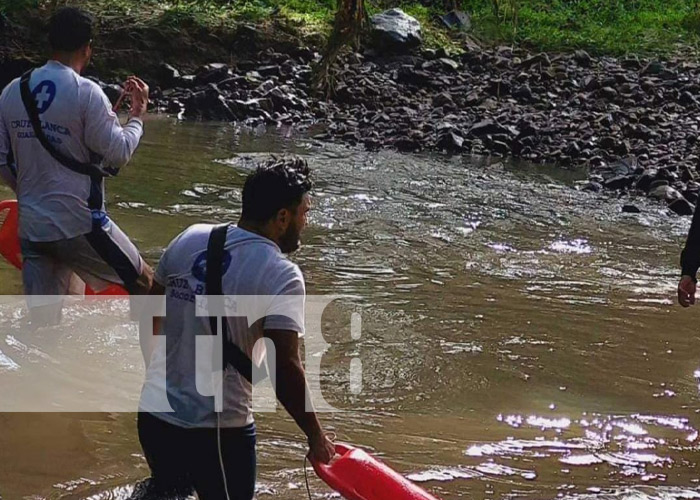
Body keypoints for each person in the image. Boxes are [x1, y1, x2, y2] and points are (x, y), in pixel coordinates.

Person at [135, 157, 335, 499]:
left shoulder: (189, 238)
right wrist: (316, 436)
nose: (306, 222)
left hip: (155, 418)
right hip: (217, 434)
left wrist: (158, 376)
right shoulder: (282, 275)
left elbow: (149, 310)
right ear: (282, 218)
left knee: (167, 491)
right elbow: (284, 367)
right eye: (304, 213)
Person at [0, 7, 153, 323]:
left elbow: (2, 160)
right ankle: (156, 366)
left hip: (33, 228)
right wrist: (137, 116)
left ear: (49, 43)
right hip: (80, 225)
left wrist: (29, 191)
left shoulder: (11, 91)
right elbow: (119, 152)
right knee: (150, 286)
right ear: (88, 48)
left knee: (45, 328)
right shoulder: (87, 92)